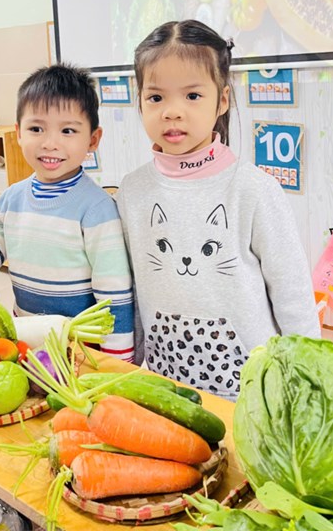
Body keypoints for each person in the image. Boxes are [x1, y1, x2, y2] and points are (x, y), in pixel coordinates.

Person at [116, 20, 319, 398]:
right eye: (156, 98)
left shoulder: (254, 189)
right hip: (167, 382)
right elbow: (130, 286)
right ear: (139, 100)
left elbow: (293, 294)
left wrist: (307, 381)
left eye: (192, 95)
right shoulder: (132, 190)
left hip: (251, 388)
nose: (172, 112)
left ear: (222, 100)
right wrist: (129, 363)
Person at [0, 64, 135, 361]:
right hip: (25, 344)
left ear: (93, 140)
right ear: (18, 133)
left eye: (68, 130)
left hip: (81, 353)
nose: (50, 143)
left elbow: (115, 299)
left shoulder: (98, 209)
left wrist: (118, 366)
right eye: (36, 129)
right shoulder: (9, 200)